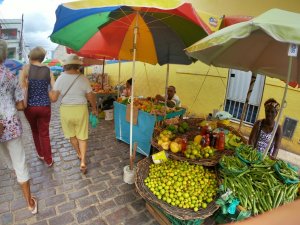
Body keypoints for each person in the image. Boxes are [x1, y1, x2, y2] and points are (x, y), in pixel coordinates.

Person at [0, 40, 38, 214]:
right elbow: (21, 105)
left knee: (9, 161)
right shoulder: (9, 76)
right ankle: (30, 203)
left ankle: (17, 176)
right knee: (19, 162)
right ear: (4, 54)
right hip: (10, 125)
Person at [49, 54, 97, 174]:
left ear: (65, 66)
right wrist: (95, 108)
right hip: (81, 109)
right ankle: (83, 161)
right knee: (82, 135)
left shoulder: (60, 78)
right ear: (77, 65)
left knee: (72, 135)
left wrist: (49, 91)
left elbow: (54, 98)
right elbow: (90, 95)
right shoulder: (83, 78)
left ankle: (78, 153)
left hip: (66, 110)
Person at [19, 47, 55, 167]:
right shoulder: (48, 70)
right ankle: (49, 160)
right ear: (42, 57)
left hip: (29, 107)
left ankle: (41, 154)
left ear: (31, 57)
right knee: (44, 133)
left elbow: (21, 88)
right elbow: (54, 89)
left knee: (35, 131)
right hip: (45, 106)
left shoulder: (26, 69)